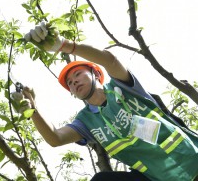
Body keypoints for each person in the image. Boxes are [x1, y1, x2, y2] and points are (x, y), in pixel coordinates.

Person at [15, 21, 198, 181]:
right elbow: (55, 138)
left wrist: (65, 45)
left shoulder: (123, 87)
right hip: (160, 178)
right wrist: (33, 110)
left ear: (95, 74)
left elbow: (110, 61)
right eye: (69, 83)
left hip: (192, 158)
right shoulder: (86, 121)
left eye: (78, 74)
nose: (74, 82)